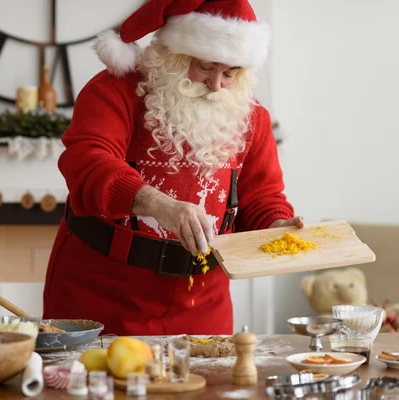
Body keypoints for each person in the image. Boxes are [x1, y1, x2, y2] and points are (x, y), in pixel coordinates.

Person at [42, 0, 304, 336]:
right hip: (100, 293)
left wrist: (278, 223)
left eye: (230, 72)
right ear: (173, 53)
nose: (216, 85)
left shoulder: (253, 119)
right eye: (206, 66)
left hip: (202, 303)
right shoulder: (113, 91)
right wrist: (156, 203)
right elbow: (88, 161)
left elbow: (261, 198)